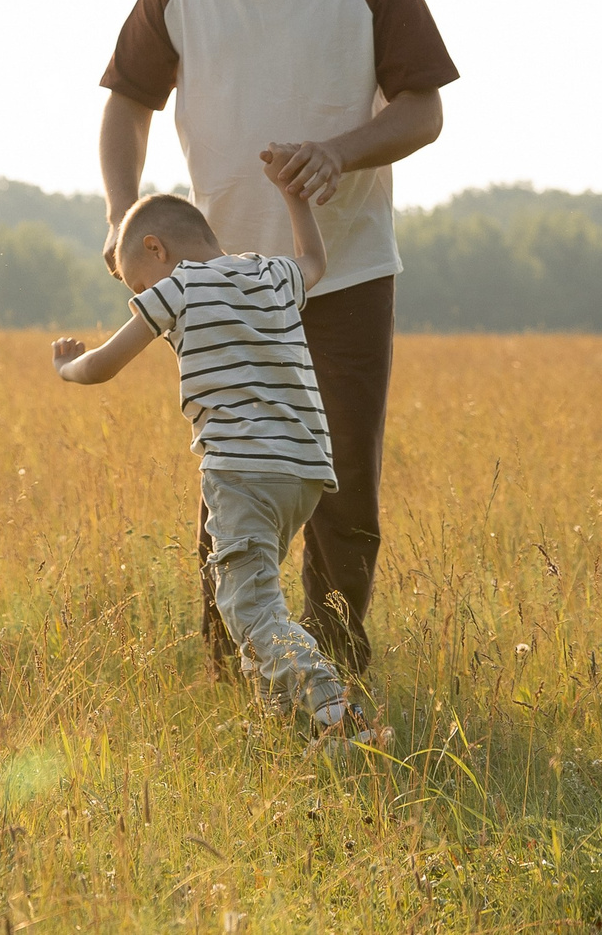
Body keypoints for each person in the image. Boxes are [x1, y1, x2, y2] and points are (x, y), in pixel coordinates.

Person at [98, 0, 456, 676]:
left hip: (344, 273)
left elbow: (424, 108)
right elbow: (126, 102)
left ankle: (334, 661)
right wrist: (122, 217)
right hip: (219, 285)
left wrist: (340, 151)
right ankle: (239, 669)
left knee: (342, 486)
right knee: (234, 479)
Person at [51, 183, 378, 741]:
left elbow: (105, 364)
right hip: (303, 471)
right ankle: (287, 726)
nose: (143, 293)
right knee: (256, 595)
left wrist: (66, 368)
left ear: (155, 249)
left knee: (248, 605)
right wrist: (292, 197)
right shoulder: (270, 273)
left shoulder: (178, 286)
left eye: (137, 284)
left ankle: (335, 711)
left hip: (239, 469)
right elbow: (316, 263)